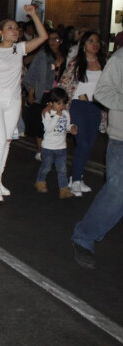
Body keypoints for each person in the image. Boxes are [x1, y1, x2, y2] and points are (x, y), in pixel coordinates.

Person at [0, 5, 49, 202]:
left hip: (13, 102)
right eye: (10, 27)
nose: (15, 30)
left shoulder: (19, 49)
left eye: (16, 28)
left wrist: (34, 15)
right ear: (1, 33)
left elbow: (43, 37)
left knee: (7, 141)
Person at [71, 46, 123, 269]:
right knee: (117, 190)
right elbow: (102, 92)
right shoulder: (121, 59)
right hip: (122, 139)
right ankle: (84, 235)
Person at [57, 31, 106, 196]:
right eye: (91, 41)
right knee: (83, 143)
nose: (95, 44)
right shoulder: (76, 62)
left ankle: (78, 177)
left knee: (89, 145)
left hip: (96, 108)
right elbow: (64, 83)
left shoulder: (104, 63)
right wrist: (58, 106)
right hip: (78, 106)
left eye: (97, 41)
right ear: (83, 44)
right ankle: (75, 180)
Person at [23, 30, 67, 161]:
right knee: (41, 123)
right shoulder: (42, 55)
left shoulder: (64, 56)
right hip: (43, 93)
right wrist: (31, 92)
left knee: (56, 122)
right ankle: (40, 151)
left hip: (58, 94)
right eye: (50, 39)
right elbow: (32, 74)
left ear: (61, 41)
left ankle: (53, 149)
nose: (53, 42)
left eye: (56, 39)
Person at [34, 87, 77, 199]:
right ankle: (40, 181)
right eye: (58, 103)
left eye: (63, 103)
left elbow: (66, 126)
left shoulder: (66, 114)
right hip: (48, 147)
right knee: (46, 167)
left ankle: (64, 189)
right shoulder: (47, 113)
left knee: (62, 169)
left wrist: (71, 127)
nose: (61, 106)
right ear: (51, 103)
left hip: (61, 147)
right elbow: (48, 128)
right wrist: (57, 116)